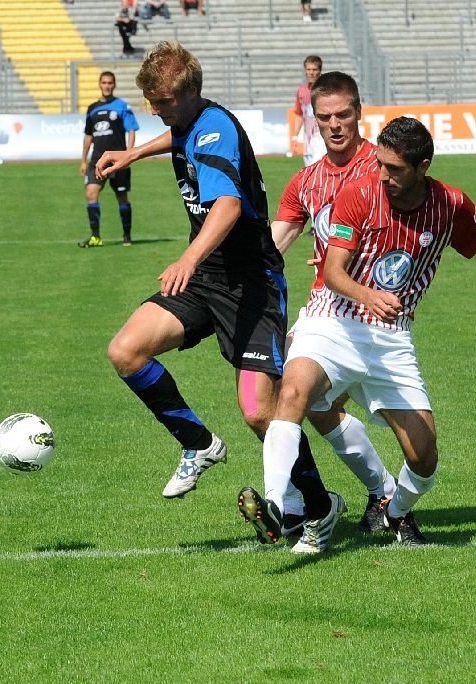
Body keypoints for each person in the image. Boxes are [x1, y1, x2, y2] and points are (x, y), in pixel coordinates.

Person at [239, 116, 476, 554]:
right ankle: (281, 507)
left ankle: (392, 510)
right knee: (294, 392)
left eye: (393, 169)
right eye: (379, 164)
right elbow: (333, 272)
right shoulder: (358, 195)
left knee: (424, 458)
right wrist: (368, 295)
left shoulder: (449, 204)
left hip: (391, 338)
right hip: (333, 319)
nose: (382, 175)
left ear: (422, 166)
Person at [94, 42, 319, 532]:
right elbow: (180, 140)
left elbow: (228, 207)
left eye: (162, 102)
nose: (153, 110)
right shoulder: (191, 123)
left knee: (261, 413)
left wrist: (187, 258)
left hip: (249, 284)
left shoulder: (216, 129)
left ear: (190, 91)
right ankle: (197, 442)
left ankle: (318, 506)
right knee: (126, 350)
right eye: (150, 101)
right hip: (205, 279)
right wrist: (133, 152)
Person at [261, 71, 397, 537]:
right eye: (325, 118)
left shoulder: (385, 168)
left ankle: (386, 493)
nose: (335, 125)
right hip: (326, 310)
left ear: (360, 112)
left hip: (380, 315)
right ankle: (288, 503)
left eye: (343, 115)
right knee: (303, 400)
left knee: (418, 441)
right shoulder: (306, 181)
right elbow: (275, 242)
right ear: (313, 120)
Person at [79, 71, 140, 248]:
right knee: (91, 193)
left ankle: (127, 236)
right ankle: (95, 237)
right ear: (99, 84)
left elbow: (131, 130)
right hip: (97, 160)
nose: (107, 86)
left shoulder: (122, 106)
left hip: (117, 160)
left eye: (110, 83)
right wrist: (83, 160)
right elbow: (88, 136)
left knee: (121, 197)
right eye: (104, 82)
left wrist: (129, 153)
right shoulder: (92, 108)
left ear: (114, 85)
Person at [292, 56, 327, 167]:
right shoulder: (301, 91)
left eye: (314, 69)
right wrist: (295, 136)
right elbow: (299, 115)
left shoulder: (326, 90)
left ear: (320, 71)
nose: (311, 73)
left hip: (322, 140)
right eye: (308, 69)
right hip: (308, 143)